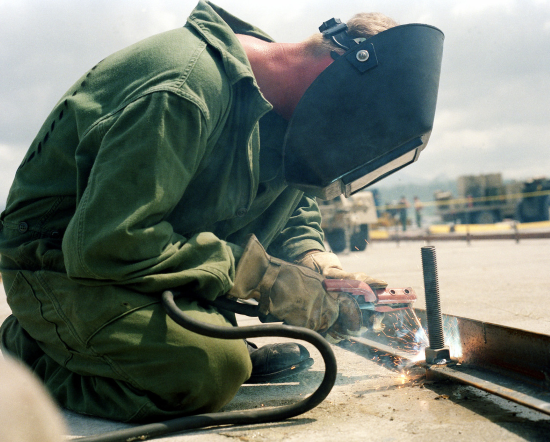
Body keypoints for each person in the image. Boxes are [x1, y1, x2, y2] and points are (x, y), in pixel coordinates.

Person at [0, 0, 443, 423]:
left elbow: (291, 206)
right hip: (59, 264)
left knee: (217, 354)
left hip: (134, 262)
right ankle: (26, 349)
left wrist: (316, 264)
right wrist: (267, 280)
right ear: (336, 76)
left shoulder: (280, 111)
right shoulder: (182, 90)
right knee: (207, 371)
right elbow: (109, 242)